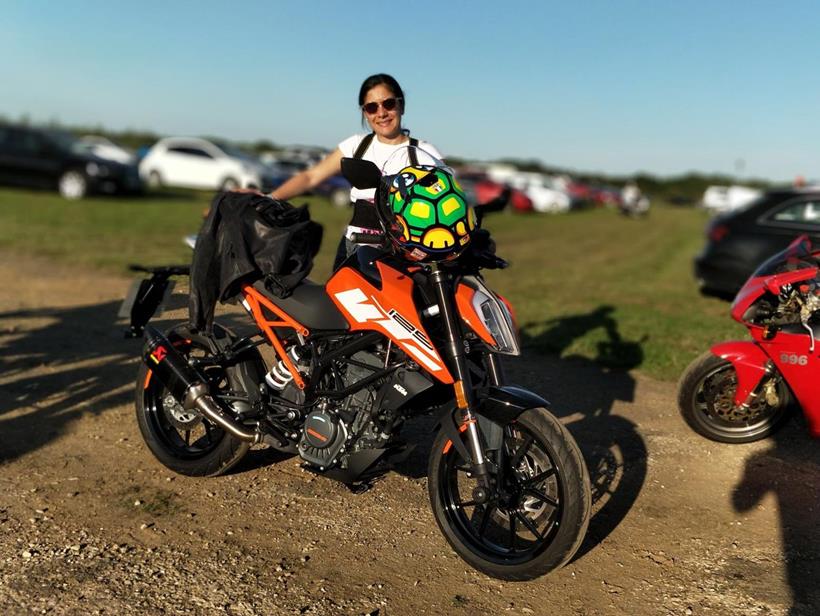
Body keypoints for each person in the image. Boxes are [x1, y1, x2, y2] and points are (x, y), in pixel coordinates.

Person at [267, 73, 443, 268]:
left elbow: (449, 201)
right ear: (364, 112)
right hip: (354, 249)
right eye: (371, 107)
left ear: (401, 105)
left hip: (404, 255)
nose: (381, 113)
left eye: (389, 104)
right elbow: (311, 177)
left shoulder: (424, 153)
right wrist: (268, 199)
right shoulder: (356, 146)